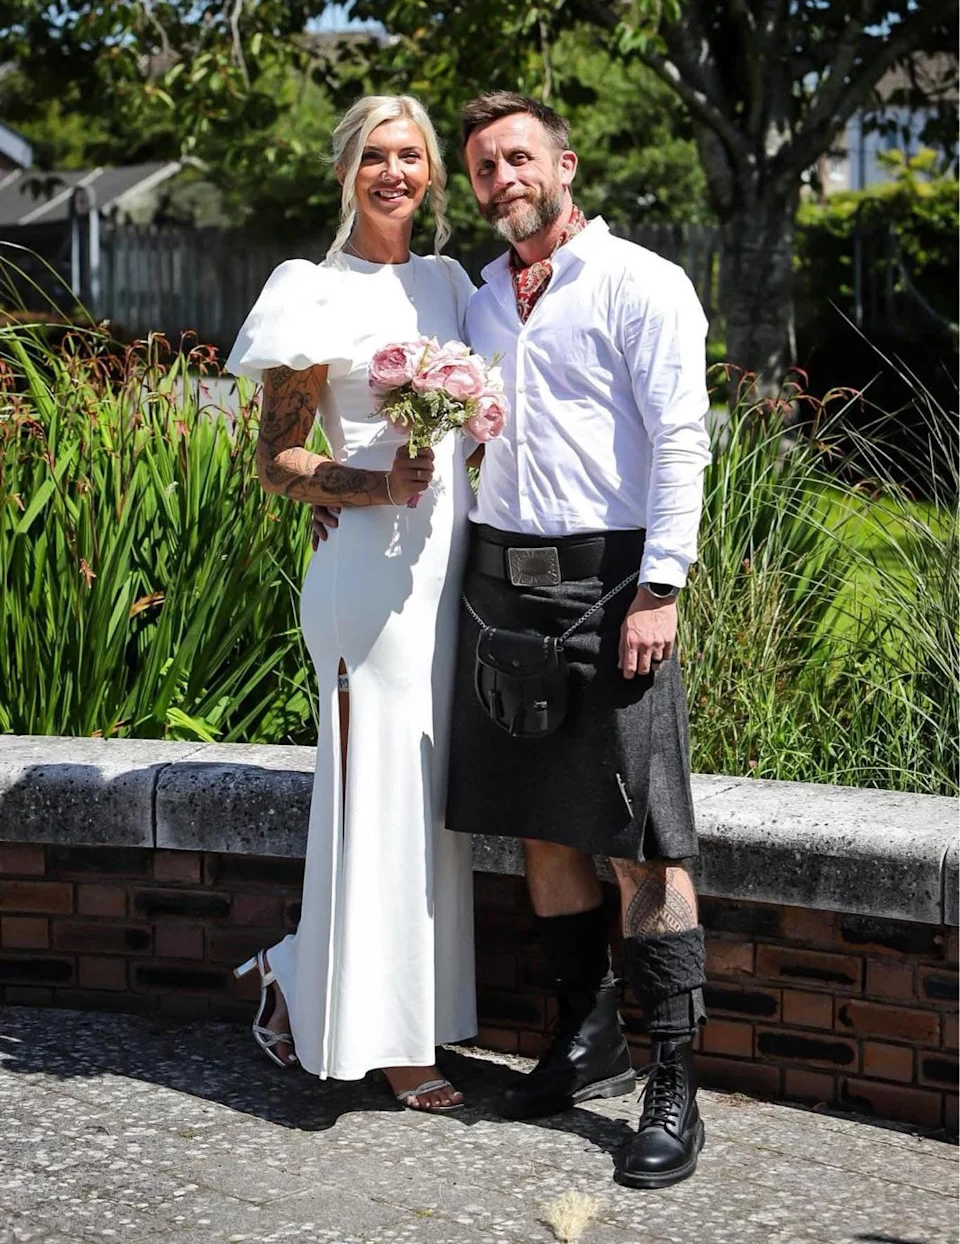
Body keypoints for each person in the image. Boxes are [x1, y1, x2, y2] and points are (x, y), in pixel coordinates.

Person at [446, 92, 713, 1188]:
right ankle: (587, 1034)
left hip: (613, 587)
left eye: (518, 157)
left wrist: (662, 586)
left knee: (644, 840)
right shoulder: (478, 302)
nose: (501, 177)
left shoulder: (641, 282)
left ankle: (676, 1084)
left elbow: (681, 438)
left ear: (564, 165)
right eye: (483, 166)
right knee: (543, 830)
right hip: (500, 586)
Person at [227, 94, 477, 1111]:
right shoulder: (310, 292)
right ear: (346, 171)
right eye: (375, 155)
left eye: (410, 155)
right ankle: (389, 1041)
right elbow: (275, 459)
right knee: (374, 791)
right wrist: (373, 486)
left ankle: (299, 972)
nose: (393, 172)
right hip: (365, 573)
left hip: (450, 569)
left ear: (432, 174)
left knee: (430, 792)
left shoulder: (451, 284)